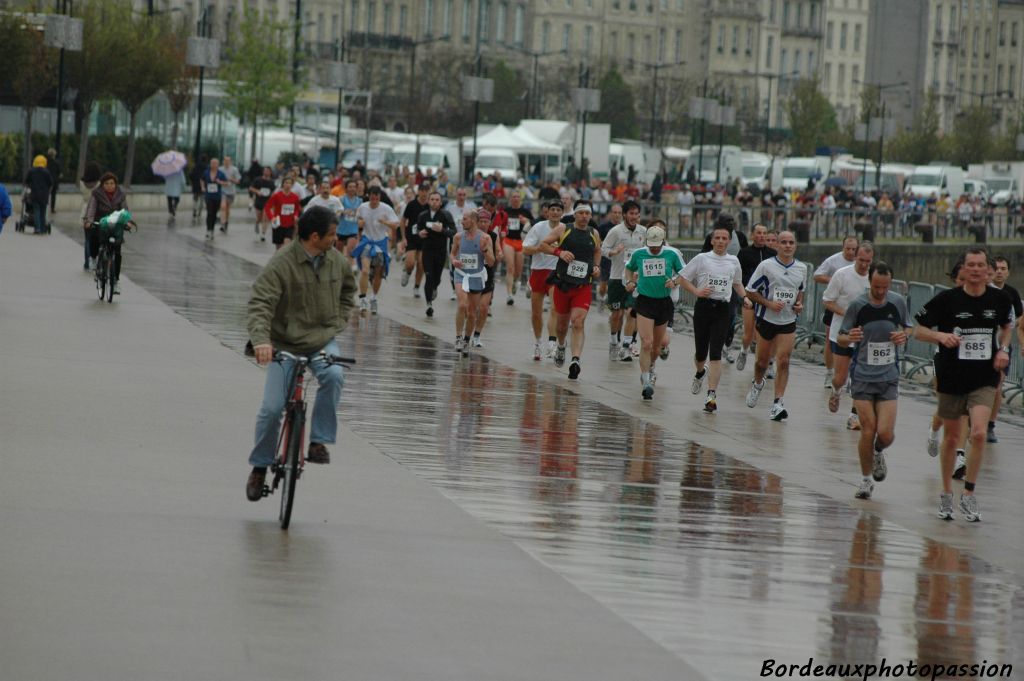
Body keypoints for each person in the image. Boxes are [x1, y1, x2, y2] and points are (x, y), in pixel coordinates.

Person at [244, 206, 357, 501]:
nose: (337, 240)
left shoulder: (336, 261)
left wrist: (339, 321)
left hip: (321, 339)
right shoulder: (282, 262)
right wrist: (261, 341)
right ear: (315, 236)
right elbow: (260, 304)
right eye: (332, 235)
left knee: (334, 374)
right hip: (283, 343)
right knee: (271, 409)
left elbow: (349, 292)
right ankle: (259, 466)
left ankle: (318, 441)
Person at [913, 247, 1014, 522]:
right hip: (952, 376)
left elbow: (1008, 326)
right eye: (971, 265)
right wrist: (941, 337)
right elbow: (917, 329)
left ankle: (968, 494)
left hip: (984, 377)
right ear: (964, 269)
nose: (977, 269)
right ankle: (946, 493)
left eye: (981, 265)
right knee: (953, 438)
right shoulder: (947, 300)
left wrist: (1003, 349)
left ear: (987, 269)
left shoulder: (1000, 299)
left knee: (979, 434)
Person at [836, 261, 912, 500]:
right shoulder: (858, 305)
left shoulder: (897, 302)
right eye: (877, 287)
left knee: (886, 433)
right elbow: (841, 337)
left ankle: (879, 451)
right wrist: (850, 338)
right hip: (862, 377)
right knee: (868, 430)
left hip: (888, 376)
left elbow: (909, 328)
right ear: (870, 282)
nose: (881, 292)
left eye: (885, 287)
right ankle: (866, 480)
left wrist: (903, 335)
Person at [679, 218, 747, 411]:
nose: (720, 241)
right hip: (703, 308)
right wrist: (697, 292)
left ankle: (711, 396)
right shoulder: (702, 258)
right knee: (701, 352)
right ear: (711, 240)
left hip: (722, 310)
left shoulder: (733, 261)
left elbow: (737, 283)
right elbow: (683, 279)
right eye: (717, 237)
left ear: (729, 241)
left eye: (724, 238)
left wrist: (745, 298)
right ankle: (700, 372)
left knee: (715, 353)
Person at [744, 230, 808, 421]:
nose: (788, 246)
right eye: (784, 242)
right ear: (778, 245)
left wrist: (799, 304)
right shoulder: (766, 266)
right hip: (766, 319)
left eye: (791, 242)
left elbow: (800, 291)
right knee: (761, 363)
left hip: (788, 321)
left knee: (784, 360)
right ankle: (757, 384)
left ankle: (778, 403)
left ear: (795, 245)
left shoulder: (802, 268)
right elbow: (750, 291)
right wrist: (769, 304)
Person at [540, 203, 602, 380]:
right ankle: (561, 346)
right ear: (575, 215)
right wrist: (559, 252)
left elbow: (598, 250)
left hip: (583, 285)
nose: (584, 216)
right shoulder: (563, 229)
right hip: (563, 284)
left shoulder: (594, 233)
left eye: (587, 213)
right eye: (581, 213)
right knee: (561, 326)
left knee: (577, 322)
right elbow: (543, 245)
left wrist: (596, 266)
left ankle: (575, 360)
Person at [624, 226, 685, 400]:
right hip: (644, 301)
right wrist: (629, 281)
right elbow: (629, 268)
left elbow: (684, 273)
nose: (654, 249)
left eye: (657, 246)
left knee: (657, 347)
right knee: (646, 343)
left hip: (663, 302)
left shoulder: (672, 254)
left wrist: (674, 282)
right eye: (651, 245)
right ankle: (645, 380)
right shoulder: (639, 254)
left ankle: (650, 367)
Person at [823, 242, 874, 430]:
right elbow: (827, 301)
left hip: (865, 336)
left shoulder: (873, 277)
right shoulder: (842, 274)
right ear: (855, 257)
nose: (863, 265)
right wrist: (846, 313)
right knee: (841, 377)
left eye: (867, 261)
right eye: (861, 260)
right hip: (842, 334)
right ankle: (836, 391)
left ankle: (854, 414)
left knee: (860, 377)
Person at [601, 199, 647, 362]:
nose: (634, 217)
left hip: (635, 280)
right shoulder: (616, 231)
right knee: (617, 314)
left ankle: (626, 347)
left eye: (637, 214)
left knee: (631, 313)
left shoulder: (643, 231)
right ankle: (614, 341)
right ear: (625, 215)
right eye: (631, 213)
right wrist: (614, 251)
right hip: (616, 278)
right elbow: (603, 249)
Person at [986, 255, 1024, 443]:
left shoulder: (1010, 294)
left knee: (998, 387)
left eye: (1003, 269)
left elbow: (1018, 319)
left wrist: (1007, 328)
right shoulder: (978, 292)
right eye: (996, 269)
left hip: (1001, 347)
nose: (999, 272)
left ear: (1008, 272)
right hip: (981, 348)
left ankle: (990, 425)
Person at [814, 236, 859, 386]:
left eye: (854, 249)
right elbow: (817, 275)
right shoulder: (833, 261)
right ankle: (829, 371)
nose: (851, 252)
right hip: (834, 303)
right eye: (848, 248)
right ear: (843, 247)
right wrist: (833, 280)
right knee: (830, 340)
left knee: (854, 340)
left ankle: (851, 375)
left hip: (853, 308)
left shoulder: (861, 262)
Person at [523, 200, 564, 361]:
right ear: (547, 212)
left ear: (562, 212)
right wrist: (540, 248)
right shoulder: (539, 227)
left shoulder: (565, 229)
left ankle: (552, 343)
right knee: (536, 313)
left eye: (558, 210)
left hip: (556, 272)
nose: (554, 212)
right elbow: (525, 249)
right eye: (552, 209)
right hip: (539, 272)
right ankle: (538, 342)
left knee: (555, 309)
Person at [451, 209, 495, 357]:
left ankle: (466, 340)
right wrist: (454, 261)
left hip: (476, 276)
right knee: (462, 304)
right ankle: (458, 337)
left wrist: (485, 250)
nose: (462, 222)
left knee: (471, 313)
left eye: (464, 219)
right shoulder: (458, 237)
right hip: (461, 275)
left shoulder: (486, 238)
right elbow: (452, 253)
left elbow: (491, 262)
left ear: (473, 221)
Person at [735, 223, 776, 370]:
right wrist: (744, 295)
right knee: (749, 332)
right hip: (750, 297)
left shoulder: (772, 254)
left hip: (766, 299)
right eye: (758, 233)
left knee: (764, 335)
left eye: (764, 233)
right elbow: (738, 276)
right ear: (752, 235)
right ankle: (744, 351)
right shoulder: (745, 253)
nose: (762, 236)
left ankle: (766, 363)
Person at [354, 186, 400, 314]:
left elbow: (396, 224)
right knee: (365, 271)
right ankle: (363, 298)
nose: (374, 200)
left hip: (380, 242)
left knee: (379, 273)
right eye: (372, 197)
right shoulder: (363, 207)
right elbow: (357, 221)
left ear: (380, 197)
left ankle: (373, 298)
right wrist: (360, 224)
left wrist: (384, 222)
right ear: (369, 196)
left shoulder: (386, 208)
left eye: (376, 197)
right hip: (367, 241)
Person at [83, 172, 129, 294]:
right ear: (102, 185)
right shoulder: (96, 194)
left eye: (112, 183)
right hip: (101, 223)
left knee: (117, 253)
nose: (110, 186)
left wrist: (127, 222)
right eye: (107, 183)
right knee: (93, 238)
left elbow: (124, 211)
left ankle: (115, 282)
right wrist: (89, 221)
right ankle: (93, 258)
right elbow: (92, 209)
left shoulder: (121, 195)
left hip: (115, 225)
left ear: (115, 184)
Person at [417, 190, 456, 317]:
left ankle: (435, 288)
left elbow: (454, 232)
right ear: (428, 201)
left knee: (437, 278)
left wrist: (443, 230)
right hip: (427, 251)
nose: (434, 202)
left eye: (437, 200)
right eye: (432, 199)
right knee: (428, 276)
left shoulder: (446, 215)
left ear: (440, 202)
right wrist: (420, 233)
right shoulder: (423, 215)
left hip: (440, 251)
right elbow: (416, 230)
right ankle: (429, 304)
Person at [399, 182, 431, 297]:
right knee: (410, 263)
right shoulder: (412, 204)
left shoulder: (430, 206)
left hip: (424, 239)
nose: (425, 194)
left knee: (422, 264)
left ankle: (416, 287)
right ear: (419, 192)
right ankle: (407, 271)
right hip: (411, 237)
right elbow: (403, 221)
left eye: (427, 191)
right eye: (422, 191)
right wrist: (403, 237)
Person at [502, 191, 534, 305]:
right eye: (514, 196)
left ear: (521, 199)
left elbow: (534, 225)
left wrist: (526, 221)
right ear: (510, 199)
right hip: (508, 241)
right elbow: (500, 224)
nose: (515, 199)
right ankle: (509, 295)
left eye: (517, 197)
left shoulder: (525, 212)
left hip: (521, 242)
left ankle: (515, 281)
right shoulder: (505, 211)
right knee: (510, 267)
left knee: (518, 270)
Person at [262, 176, 302, 250]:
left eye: (290, 183)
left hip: (289, 225)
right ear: (283, 184)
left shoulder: (295, 197)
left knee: (286, 245)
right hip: (278, 224)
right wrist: (272, 217)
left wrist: (296, 215)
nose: (288, 185)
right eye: (286, 183)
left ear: (292, 185)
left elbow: (296, 209)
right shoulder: (277, 196)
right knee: (278, 248)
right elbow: (267, 207)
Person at [78, 161, 101, 269]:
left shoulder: (82, 183)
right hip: (95, 211)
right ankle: (94, 259)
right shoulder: (99, 184)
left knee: (87, 239)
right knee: (95, 238)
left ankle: (86, 262)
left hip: (85, 211)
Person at [24, 155, 53, 235]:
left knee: (36, 211)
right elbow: (50, 184)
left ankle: (37, 228)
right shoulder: (46, 172)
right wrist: (48, 192)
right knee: (43, 212)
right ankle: (43, 229)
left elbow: (26, 182)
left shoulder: (31, 171)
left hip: (34, 194)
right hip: (44, 195)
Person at [200, 158, 227, 240]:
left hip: (217, 196)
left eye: (215, 163)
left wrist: (220, 182)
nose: (213, 165)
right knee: (209, 212)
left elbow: (226, 183)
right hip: (208, 196)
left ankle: (212, 230)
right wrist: (203, 187)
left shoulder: (221, 174)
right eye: (212, 163)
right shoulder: (206, 172)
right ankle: (208, 230)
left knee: (214, 214)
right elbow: (201, 179)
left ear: (218, 165)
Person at [248, 166, 276, 242]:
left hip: (267, 202)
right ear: (263, 172)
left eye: (268, 171)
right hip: (259, 201)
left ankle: (263, 234)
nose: (266, 172)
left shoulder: (272, 182)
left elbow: (274, 191)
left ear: (270, 172)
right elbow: (250, 188)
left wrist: (273, 196)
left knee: (265, 218)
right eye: (265, 170)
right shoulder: (258, 180)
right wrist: (257, 191)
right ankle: (257, 223)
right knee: (259, 218)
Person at [219, 156, 242, 233]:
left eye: (228, 161)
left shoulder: (234, 169)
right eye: (225, 161)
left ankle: (226, 222)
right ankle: (222, 223)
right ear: (223, 161)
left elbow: (238, 181)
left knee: (227, 209)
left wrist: (232, 179)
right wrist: (221, 182)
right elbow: (217, 179)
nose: (226, 162)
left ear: (230, 162)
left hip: (231, 192)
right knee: (223, 207)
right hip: (222, 191)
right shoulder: (220, 169)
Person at [46, 148, 61, 214]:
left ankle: (45, 207)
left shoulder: (46, 162)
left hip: (47, 181)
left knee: (46, 194)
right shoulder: (56, 162)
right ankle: (52, 209)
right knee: (53, 196)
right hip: (54, 181)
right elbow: (59, 173)